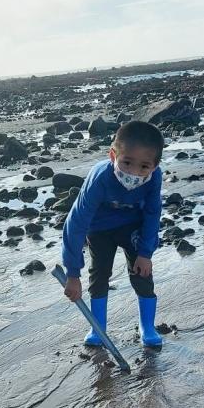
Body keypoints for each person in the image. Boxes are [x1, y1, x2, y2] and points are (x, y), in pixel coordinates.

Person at [61, 121, 164, 348]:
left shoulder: (154, 179)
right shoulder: (99, 180)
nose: (134, 173)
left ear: (155, 167)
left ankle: (147, 327)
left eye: (144, 167)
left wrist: (146, 253)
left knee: (142, 274)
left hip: (133, 225)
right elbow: (76, 223)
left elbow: (152, 213)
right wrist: (72, 273)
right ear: (112, 155)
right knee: (99, 274)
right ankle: (98, 328)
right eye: (126, 162)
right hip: (99, 228)